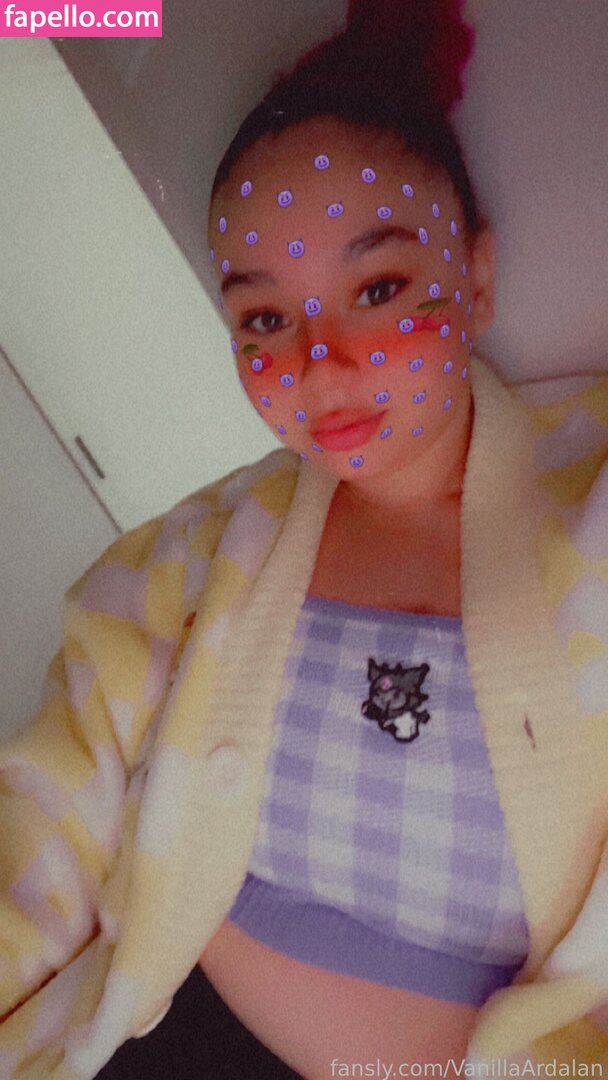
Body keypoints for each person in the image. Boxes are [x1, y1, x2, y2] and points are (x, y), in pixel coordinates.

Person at [1, 1, 607, 1077]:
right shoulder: (186, 558)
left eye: (377, 289)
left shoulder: (589, 508)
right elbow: (47, 813)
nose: (320, 365)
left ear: (473, 281)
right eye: (265, 320)